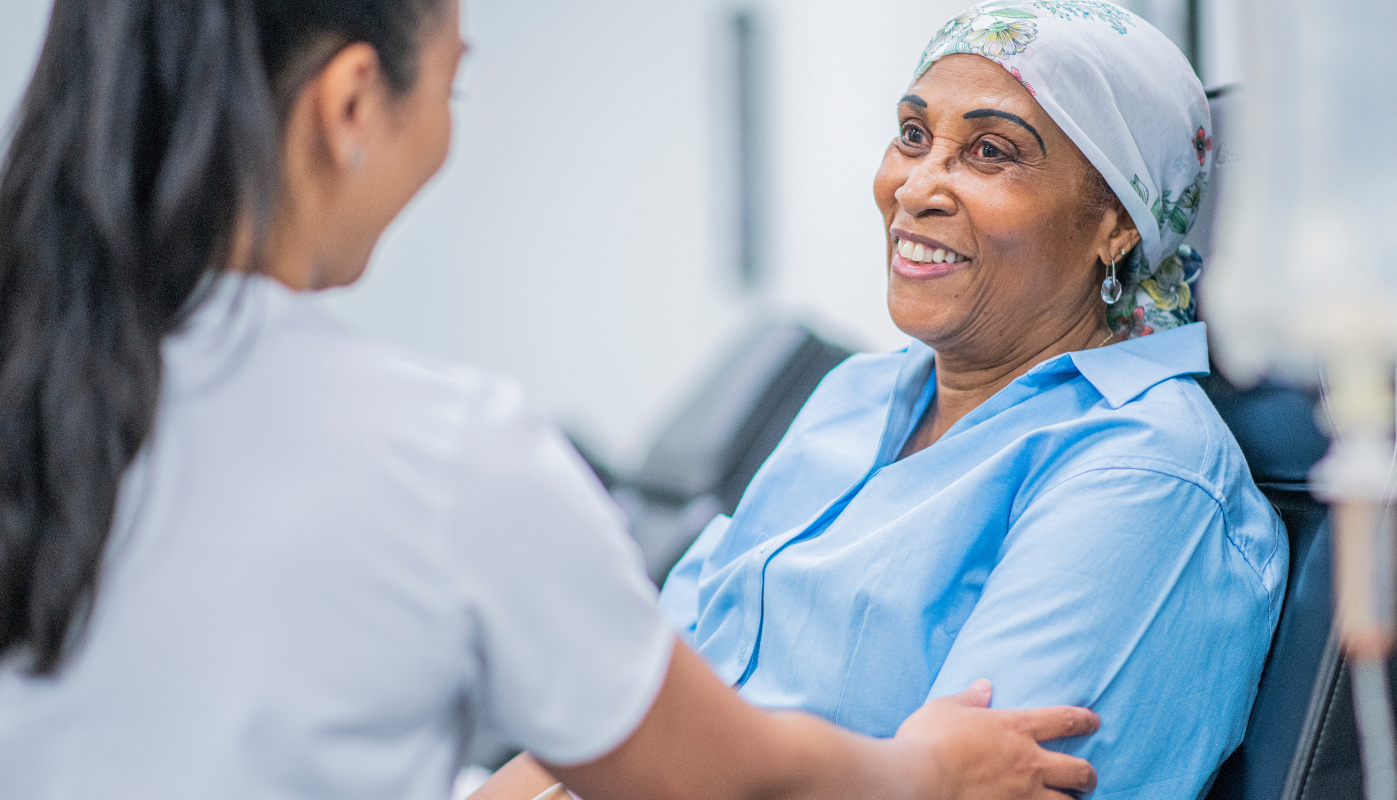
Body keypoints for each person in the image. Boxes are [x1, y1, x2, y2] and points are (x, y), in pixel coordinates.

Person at [0, 2, 1107, 799]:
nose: (920, 185)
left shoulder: (21, 378)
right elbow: (723, 774)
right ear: (350, 104)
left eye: (987, 152)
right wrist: (931, 771)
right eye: (455, 80)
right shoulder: (439, 452)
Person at [501, 3, 1289, 799]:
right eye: (913, 135)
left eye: (989, 151)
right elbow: (629, 714)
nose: (916, 187)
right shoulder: (857, 394)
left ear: (1116, 222)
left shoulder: (1142, 474)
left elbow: (972, 782)